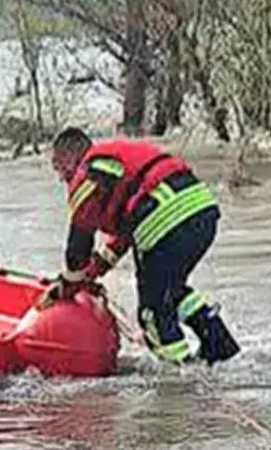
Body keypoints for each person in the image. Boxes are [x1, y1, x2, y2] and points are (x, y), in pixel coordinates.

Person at [39, 127, 241, 366]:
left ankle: (179, 381)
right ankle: (219, 347)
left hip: (166, 220)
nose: (61, 177)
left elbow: (78, 245)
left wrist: (69, 283)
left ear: (71, 157)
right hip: (201, 212)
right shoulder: (114, 167)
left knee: (152, 312)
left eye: (58, 167)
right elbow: (122, 239)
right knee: (171, 291)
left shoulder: (87, 174)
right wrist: (91, 273)